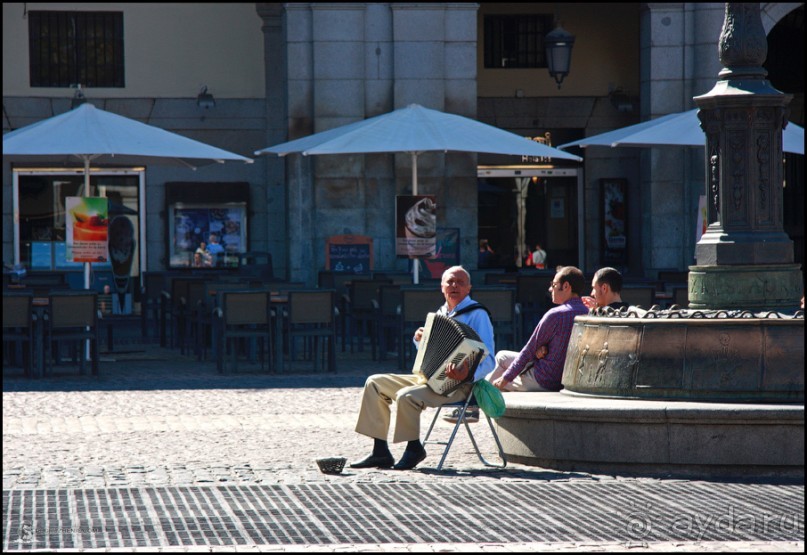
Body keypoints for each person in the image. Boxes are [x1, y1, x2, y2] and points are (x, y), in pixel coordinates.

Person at [350, 265, 496, 471]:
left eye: (460, 282)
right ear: (442, 287)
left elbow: (489, 360)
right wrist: (420, 339)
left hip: (459, 385)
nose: (454, 286)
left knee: (406, 396)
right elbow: (429, 354)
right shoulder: (441, 313)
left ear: (469, 288)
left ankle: (414, 448)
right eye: (450, 282)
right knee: (374, 382)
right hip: (430, 379)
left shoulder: (478, 314)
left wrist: (468, 374)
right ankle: (380, 451)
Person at [487, 266, 588, 392]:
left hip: (544, 380)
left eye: (554, 284)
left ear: (566, 286)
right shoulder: (588, 313)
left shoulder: (556, 315)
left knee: (499, 366)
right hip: (567, 379)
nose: (550, 289)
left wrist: (505, 379)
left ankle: (479, 400)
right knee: (503, 358)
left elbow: (529, 350)